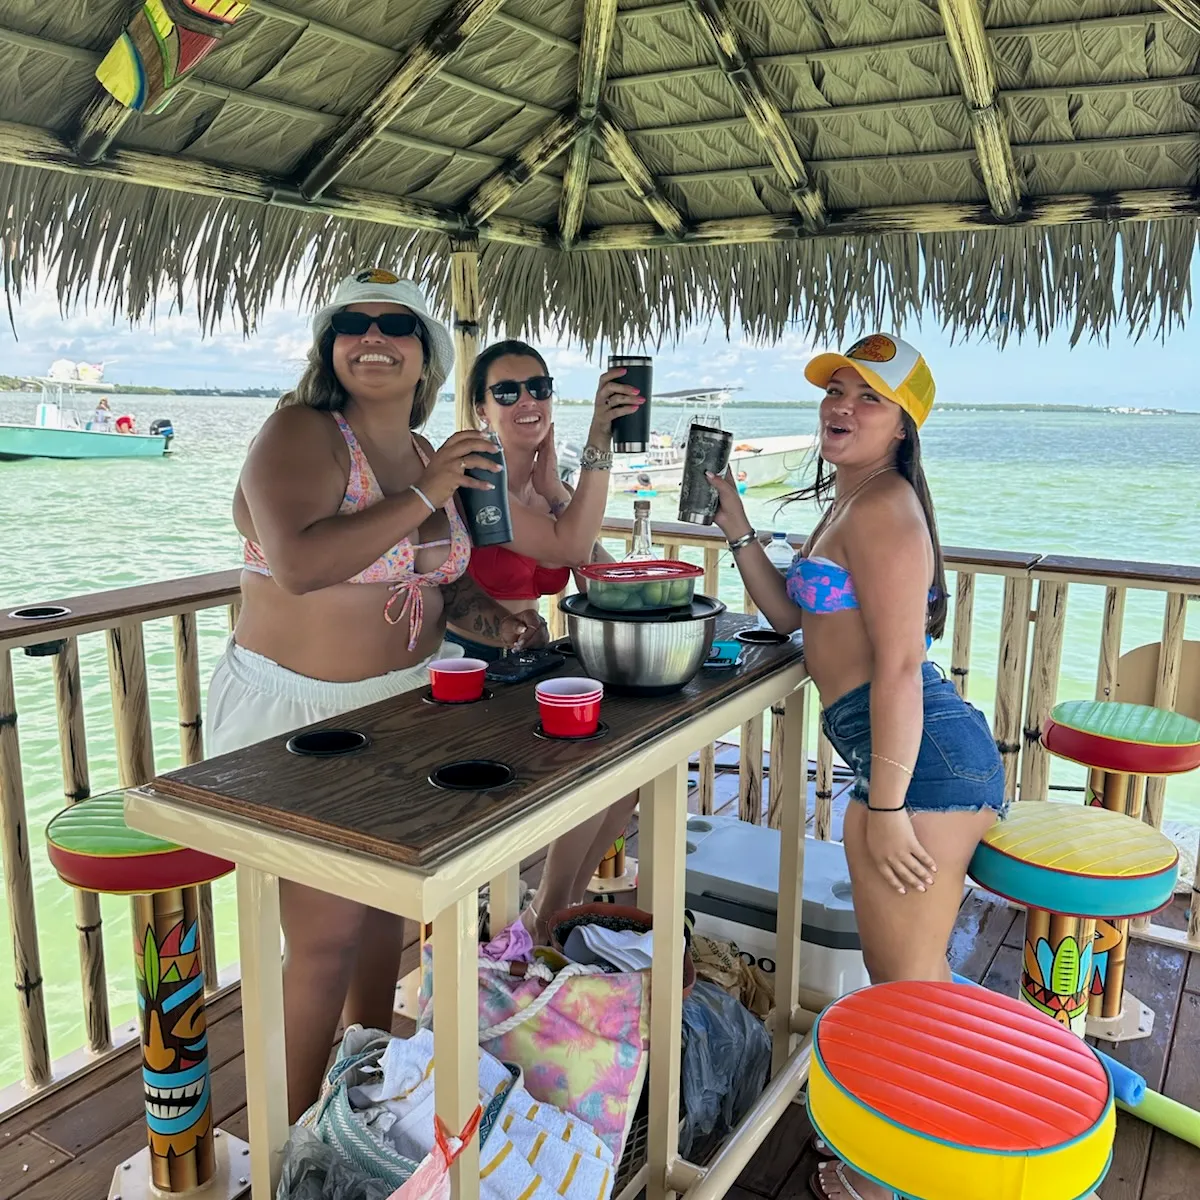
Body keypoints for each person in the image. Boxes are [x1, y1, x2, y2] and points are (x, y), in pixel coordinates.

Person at [206, 270, 548, 1121]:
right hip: (298, 719)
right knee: (321, 942)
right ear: (328, 348)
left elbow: (439, 584)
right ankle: (283, 1148)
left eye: (396, 325)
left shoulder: (431, 453)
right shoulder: (303, 431)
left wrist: (492, 621)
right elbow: (303, 563)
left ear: (426, 353)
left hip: (403, 706)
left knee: (384, 920)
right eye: (351, 324)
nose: (373, 338)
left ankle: (357, 1091)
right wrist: (428, 497)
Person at [705, 334, 1004, 1200]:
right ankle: (930, 1154)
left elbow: (903, 668)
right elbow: (792, 618)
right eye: (835, 391)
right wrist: (739, 529)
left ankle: (932, 1170)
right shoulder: (850, 501)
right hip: (902, 758)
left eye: (868, 398)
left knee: (905, 985)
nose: (842, 407)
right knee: (905, 979)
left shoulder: (886, 512)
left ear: (905, 426)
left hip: (925, 766)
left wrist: (884, 803)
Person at [449, 339, 642, 941]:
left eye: (538, 387)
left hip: (527, 658)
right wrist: (598, 443)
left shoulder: (538, 481)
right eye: (506, 392)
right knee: (581, 784)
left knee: (620, 786)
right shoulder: (480, 477)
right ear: (482, 408)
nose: (526, 400)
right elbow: (572, 550)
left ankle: (557, 912)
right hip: (473, 667)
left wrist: (558, 488)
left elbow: (601, 574)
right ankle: (541, 924)